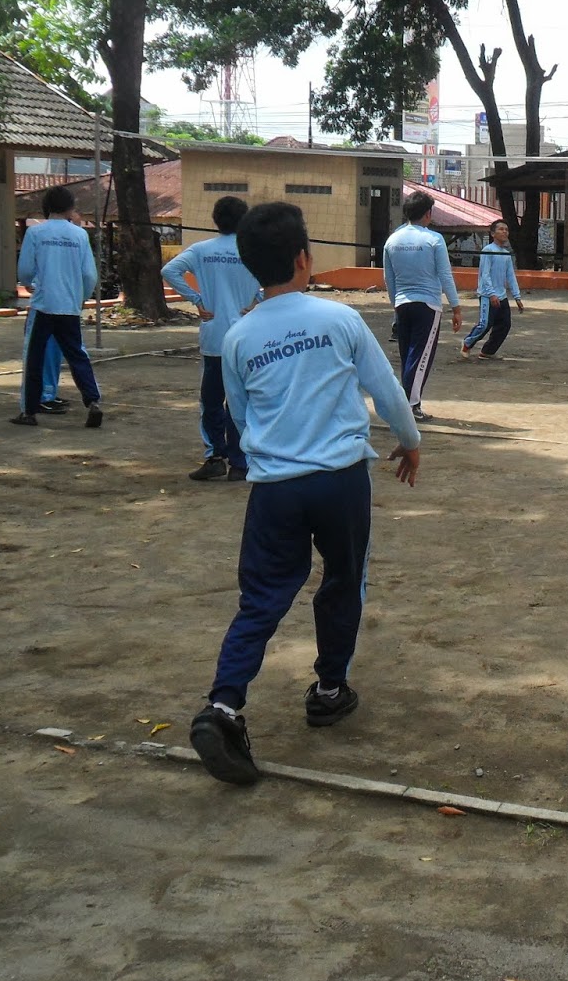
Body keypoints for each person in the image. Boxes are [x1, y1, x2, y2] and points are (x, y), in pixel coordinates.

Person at [189, 202, 422, 786]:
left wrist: (272, 453)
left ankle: (223, 705)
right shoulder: (339, 319)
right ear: (303, 258)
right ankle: (329, 689)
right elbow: (387, 391)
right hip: (340, 480)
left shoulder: (239, 337)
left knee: (261, 597)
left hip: (274, 488)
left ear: (251, 266)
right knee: (343, 581)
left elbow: (240, 418)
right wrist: (409, 441)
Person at [162, 195, 263, 481]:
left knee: (211, 400)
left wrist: (196, 298)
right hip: (246, 336)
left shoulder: (201, 250)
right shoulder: (252, 250)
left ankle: (215, 456)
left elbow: (169, 270)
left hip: (215, 335)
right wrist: (256, 300)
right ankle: (240, 463)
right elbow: (275, 280)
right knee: (241, 401)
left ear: (215, 221)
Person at [12, 184, 104, 427]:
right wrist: (82, 297)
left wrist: (28, 283)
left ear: (46, 207)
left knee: (34, 357)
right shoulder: (80, 235)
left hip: (43, 305)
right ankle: (93, 401)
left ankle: (28, 411)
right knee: (77, 355)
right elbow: (89, 275)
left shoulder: (35, 233)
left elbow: (25, 269)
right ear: (70, 208)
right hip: (69, 306)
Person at [383, 190, 462, 422]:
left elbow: (389, 279)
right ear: (428, 213)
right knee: (420, 357)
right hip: (427, 304)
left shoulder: (392, 240)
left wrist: (395, 305)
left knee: (408, 356)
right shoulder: (433, 239)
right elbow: (445, 275)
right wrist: (456, 307)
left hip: (402, 304)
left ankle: (408, 403)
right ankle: (409, 406)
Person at [461, 219, 523, 360]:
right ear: (493, 233)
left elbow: (510, 276)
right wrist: (491, 294)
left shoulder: (506, 253)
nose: (504, 232)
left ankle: (488, 351)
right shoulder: (488, 251)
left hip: (502, 295)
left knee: (504, 325)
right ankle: (467, 343)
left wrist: (517, 297)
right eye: (501, 229)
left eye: (506, 229)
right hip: (487, 295)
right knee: (484, 324)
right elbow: (485, 274)